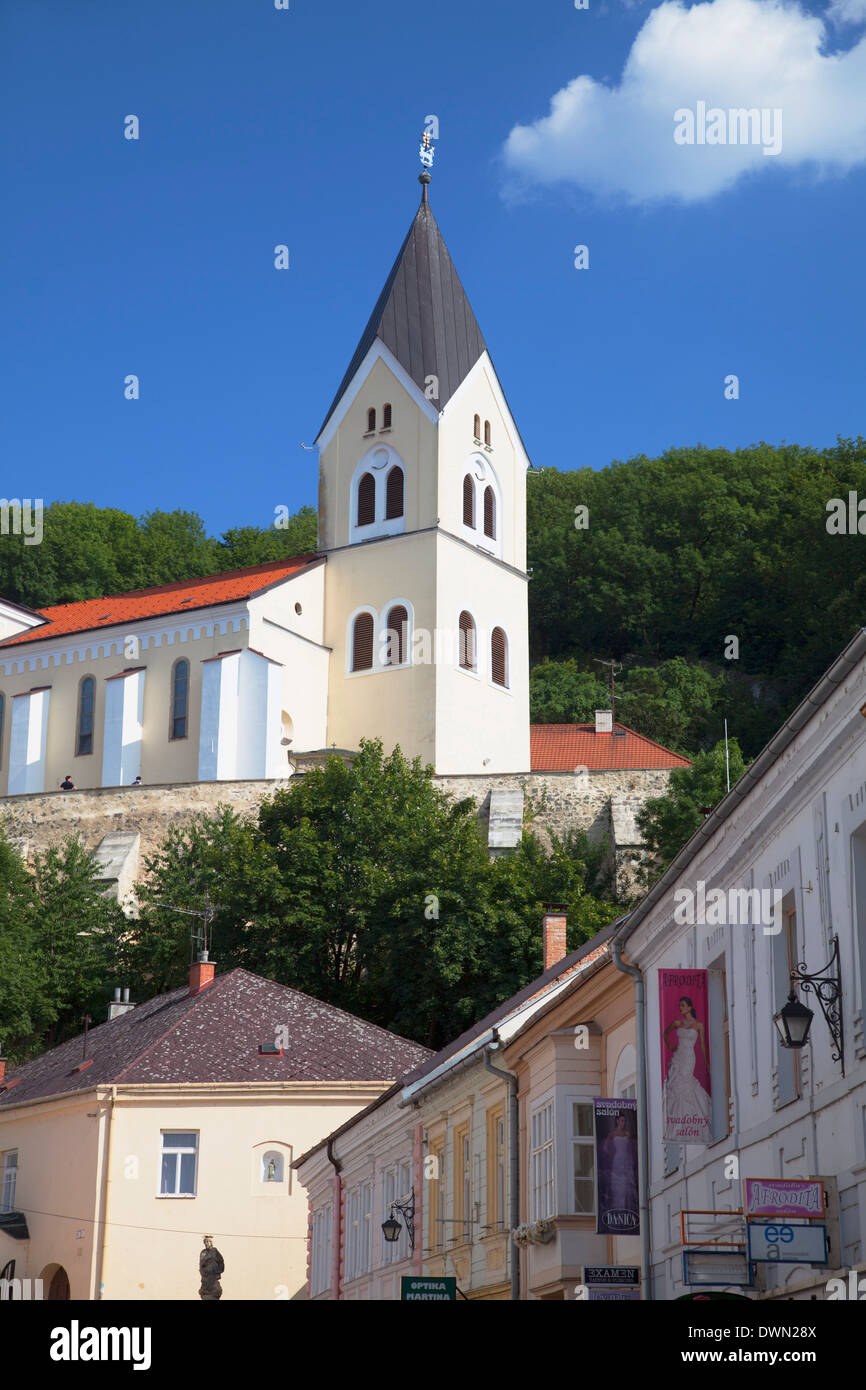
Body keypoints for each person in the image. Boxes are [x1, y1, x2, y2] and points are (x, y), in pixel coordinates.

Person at [663, 995, 711, 1140]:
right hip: (678, 1056)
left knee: (685, 1084)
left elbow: (702, 1046)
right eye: (680, 1005)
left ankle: (692, 1121)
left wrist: (707, 1065)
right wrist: (671, 1046)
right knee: (675, 1085)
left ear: (690, 1007)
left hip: (689, 1058)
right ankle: (678, 1124)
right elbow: (665, 1034)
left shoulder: (699, 1025)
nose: (681, 1008)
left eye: (683, 1005)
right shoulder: (677, 1023)